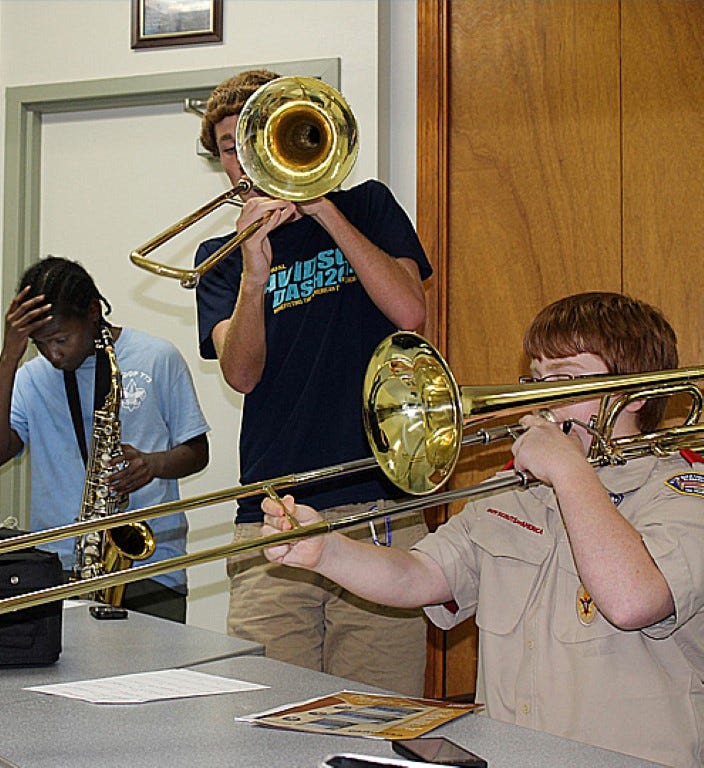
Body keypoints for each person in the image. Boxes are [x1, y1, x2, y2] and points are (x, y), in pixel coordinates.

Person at [261, 292, 704, 767]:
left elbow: (634, 600)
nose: (543, 397)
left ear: (637, 392)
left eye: (568, 378)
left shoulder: (683, 491)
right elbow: (416, 575)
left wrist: (572, 473)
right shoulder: (510, 491)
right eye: (536, 379)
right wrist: (325, 550)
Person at [193, 69, 433, 694]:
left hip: (379, 500)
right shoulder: (218, 255)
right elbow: (241, 374)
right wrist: (253, 274)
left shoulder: (368, 204)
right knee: (267, 719)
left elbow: (410, 312)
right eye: (226, 147)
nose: (243, 158)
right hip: (274, 512)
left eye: (254, 137)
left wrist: (323, 206)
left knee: (383, 717)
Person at [0, 255, 209, 623]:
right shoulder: (32, 377)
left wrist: (153, 464)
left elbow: (197, 451)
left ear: (94, 311)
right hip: (60, 569)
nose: (53, 353)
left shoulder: (156, 357)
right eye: (40, 344)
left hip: (151, 568)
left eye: (61, 339)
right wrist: (10, 355)